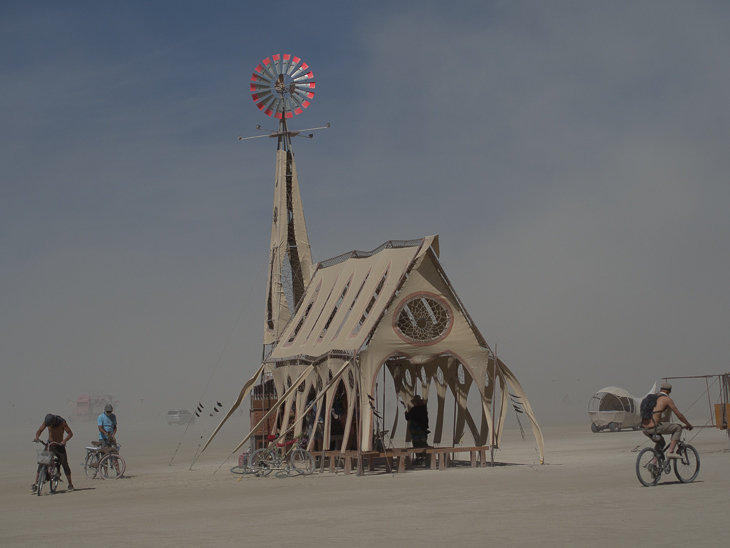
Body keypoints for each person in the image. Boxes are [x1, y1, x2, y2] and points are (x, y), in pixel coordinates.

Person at [641, 382, 693, 458]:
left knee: (661, 443)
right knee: (678, 427)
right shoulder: (667, 399)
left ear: (660, 389)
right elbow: (679, 416)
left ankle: (654, 464)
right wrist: (688, 424)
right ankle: (670, 452)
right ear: (669, 391)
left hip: (644, 428)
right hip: (655, 427)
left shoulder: (651, 398)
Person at [32, 414, 74, 492]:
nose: (50, 426)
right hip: (50, 445)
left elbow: (70, 433)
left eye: (51, 425)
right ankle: (35, 483)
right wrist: (37, 437)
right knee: (42, 463)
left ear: (54, 421)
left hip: (59, 446)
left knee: (65, 465)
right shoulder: (47, 422)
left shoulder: (62, 423)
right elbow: (40, 430)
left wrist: (64, 441)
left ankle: (70, 484)